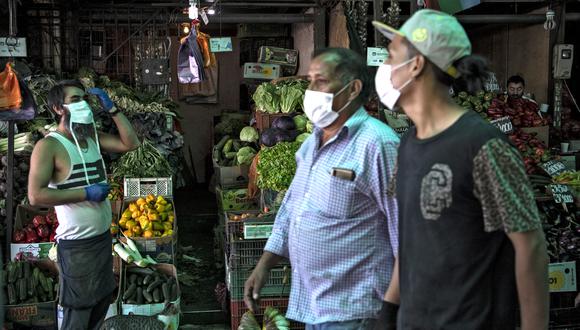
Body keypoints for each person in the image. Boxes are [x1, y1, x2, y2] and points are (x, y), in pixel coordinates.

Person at [372, 9, 549, 330]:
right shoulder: (408, 145)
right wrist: (390, 307)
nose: (384, 67)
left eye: (391, 55)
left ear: (416, 64)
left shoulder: (484, 147)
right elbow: (411, 238)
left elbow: (530, 246)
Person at [243, 48, 399, 330]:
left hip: (357, 310)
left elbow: (407, 233)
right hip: (314, 306)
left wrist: (391, 311)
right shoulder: (310, 144)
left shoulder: (378, 144)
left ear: (353, 89)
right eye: (311, 80)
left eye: (321, 81)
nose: (311, 89)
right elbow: (291, 209)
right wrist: (265, 264)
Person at [28, 80, 140, 330]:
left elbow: (131, 144)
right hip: (77, 247)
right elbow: (35, 196)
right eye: (76, 100)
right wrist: (85, 193)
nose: (84, 105)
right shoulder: (49, 146)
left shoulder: (91, 139)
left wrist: (113, 110)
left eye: (85, 99)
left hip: (102, 240)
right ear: (58, 108)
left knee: (100, 306)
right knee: (78, 315)